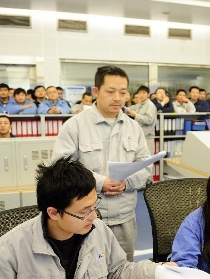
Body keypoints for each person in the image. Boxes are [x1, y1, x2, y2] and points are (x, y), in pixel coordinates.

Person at [0, 156, 175, 279]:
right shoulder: (10, 248)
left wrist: (158, 271)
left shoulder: (97, 230)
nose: (94, 216)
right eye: (84, 211)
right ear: (54, 212)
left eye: (95, 206)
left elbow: (117, 272)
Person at [52, 65, 151, 262]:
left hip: (125, 218)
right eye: (111, 91)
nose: (117, 98)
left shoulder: (134, 127)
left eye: (123, 92)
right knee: (87, 272)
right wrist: (99, 182)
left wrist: (126, 183)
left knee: (123, 272)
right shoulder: (75, 125)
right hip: (86, 219)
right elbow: (60, 168)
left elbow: (145, 167)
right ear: (96, 91)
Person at [126, 85, 157, 155]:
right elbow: (131, 108)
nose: (141, 95)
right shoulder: (140, 104)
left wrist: (136, 115)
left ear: (148, 94)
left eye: (143, 93)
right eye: (140, 93)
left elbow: (149, 120)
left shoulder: (150, 105)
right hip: (139, 136)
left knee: (147, 160)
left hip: (147, 138)